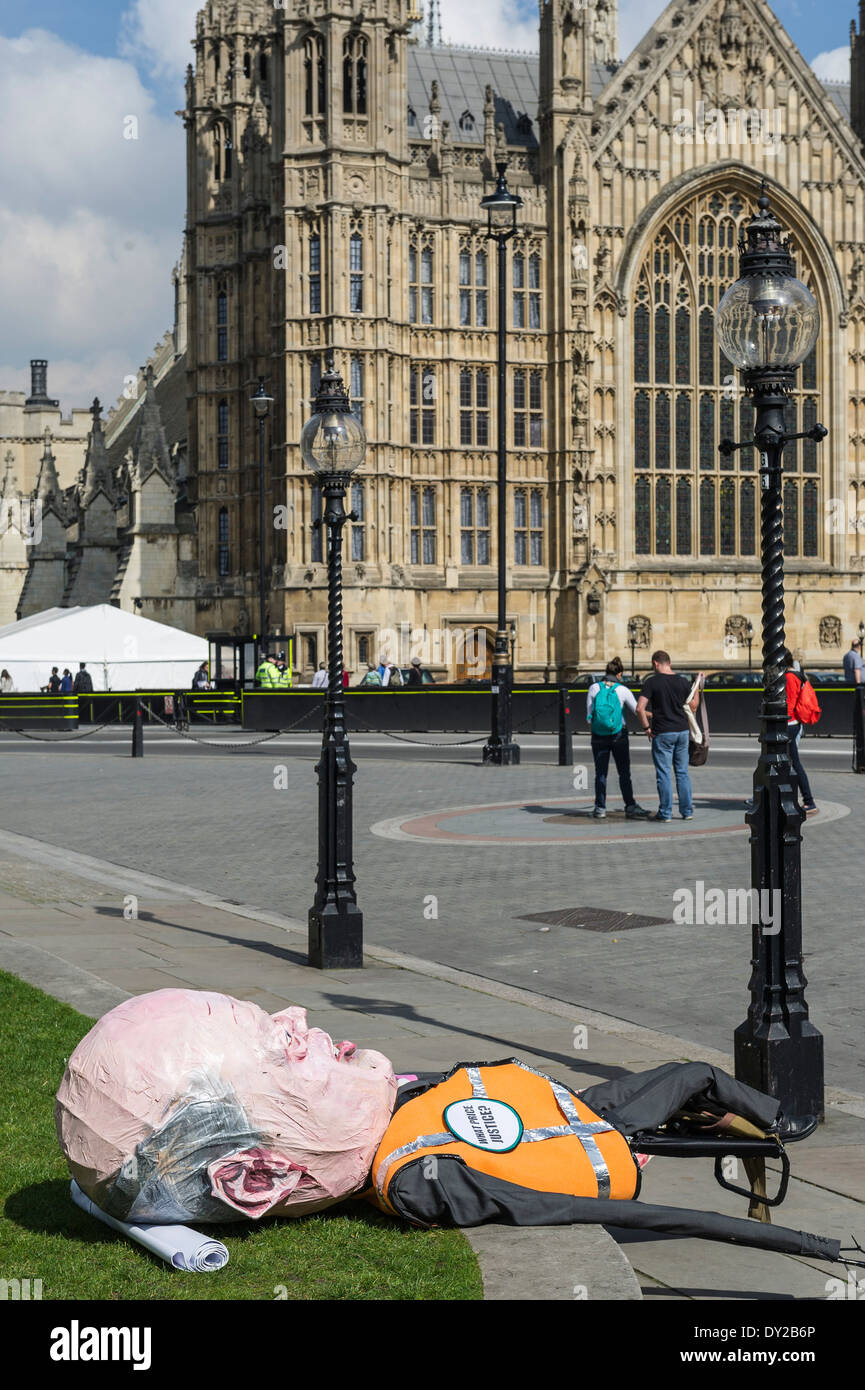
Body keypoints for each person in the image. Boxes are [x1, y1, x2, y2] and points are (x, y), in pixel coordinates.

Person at [636, 651, 703, 822]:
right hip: (682, 732)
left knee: (664, 773)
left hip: (663, 732)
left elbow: (639, 708)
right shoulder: (682, 681)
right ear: (669, 663)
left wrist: (646, 728)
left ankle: (665, 813)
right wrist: (697, 687)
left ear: (656, 663)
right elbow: (693, 706)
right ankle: (687, 811)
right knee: (682, 772)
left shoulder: (651, 682)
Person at [586, 658, 650, 819]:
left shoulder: (594, 688)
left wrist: (596, 731)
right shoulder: (622, 689)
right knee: (624, 772)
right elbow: (638, 710)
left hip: (598, 736)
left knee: (600, 773)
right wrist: (654, 716)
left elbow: (589, 717)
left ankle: (600, 808)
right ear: (619, 673)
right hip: (618, 735)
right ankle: (629, 805)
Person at [784, 648, 818, 815]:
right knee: (788, 763)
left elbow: (789, 703)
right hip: (793, 723)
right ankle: (801, 799)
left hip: (789, 724)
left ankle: (809, 800)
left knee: (794, 763)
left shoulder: (790, 677)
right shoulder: (796, 675)